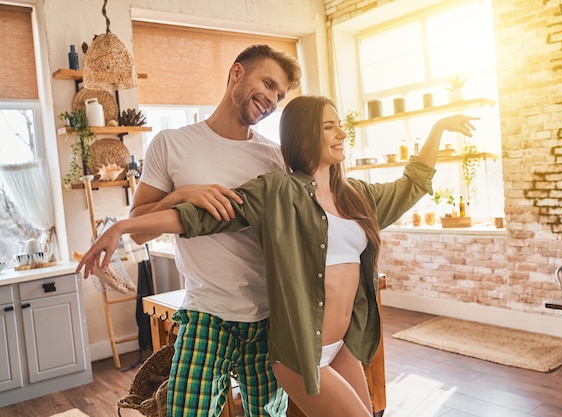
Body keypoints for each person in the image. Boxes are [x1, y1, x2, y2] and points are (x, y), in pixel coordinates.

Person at [77, 96, 478, 417]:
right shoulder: (277, 191)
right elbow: (201, 218)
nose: (342, 132)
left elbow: (413, 184)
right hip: (303, 355)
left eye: (340, 125)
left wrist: (438, 129)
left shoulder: (357, 195)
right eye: (329, 126)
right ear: (304, 138)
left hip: (341, 347)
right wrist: (121, 227)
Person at [128, 44, 301, 416]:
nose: (271, 99)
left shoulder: (275, 157)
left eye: (279, 95)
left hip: (268, 318)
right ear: (236, 73)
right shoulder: (172, 144)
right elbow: (139, 229)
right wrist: (181, 195)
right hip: (206, 314)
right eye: (267, 84)